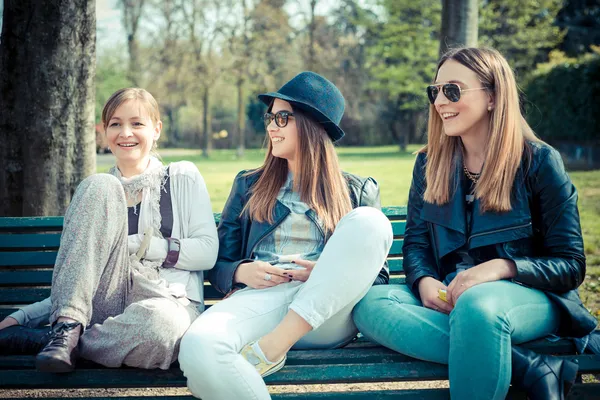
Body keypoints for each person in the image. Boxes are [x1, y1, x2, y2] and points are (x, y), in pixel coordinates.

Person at [352, 47, 597, 400]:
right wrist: (422, 281)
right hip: (449, 294)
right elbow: (418, 244)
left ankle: (503, 351)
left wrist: (500, 267)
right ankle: (528, 365)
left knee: (477, 308)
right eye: (434, 91)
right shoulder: (428, 164)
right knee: (371, 305)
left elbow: (570, 265)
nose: (439, 101)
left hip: (531, 299)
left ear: (493, 97)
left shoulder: (540, 162)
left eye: (452, 90)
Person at [178, 71, 393, 400]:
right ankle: (268, 350)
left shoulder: (357, 190)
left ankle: (271, 349)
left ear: (311, 126)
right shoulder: (249, 185)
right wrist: (240, 271)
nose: (271, 127)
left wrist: (324, 272)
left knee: (371, 222)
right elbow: (217, 263)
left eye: (282, 117)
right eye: (271, 117)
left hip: (328, 315)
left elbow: (375, 277)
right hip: (262, 299)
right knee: (198, 344)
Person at [0, 88, 219, 372]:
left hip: (167, 303)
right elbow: (79, 278)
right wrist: (23, 316)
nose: (125, 133)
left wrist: (142, 244)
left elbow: (206, 252)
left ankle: (48, 340)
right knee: (99, 184)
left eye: (137, 123)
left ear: (156, 129)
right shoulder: (98, 194)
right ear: (104, 132)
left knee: (163, 328)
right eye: (115, 124)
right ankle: (65, 332)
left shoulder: (182, 177)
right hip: (106, 303)